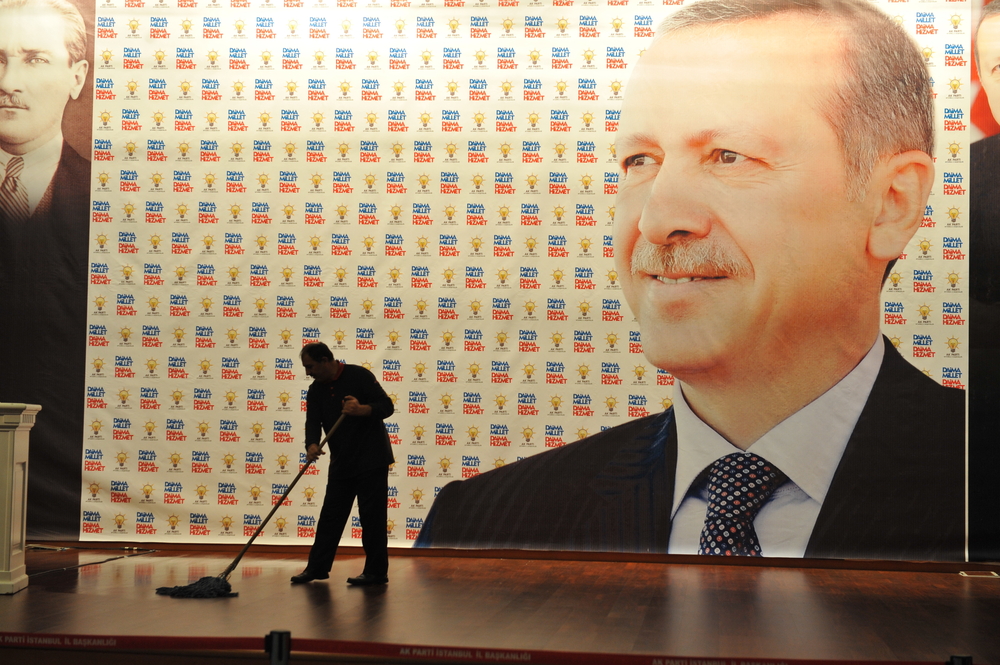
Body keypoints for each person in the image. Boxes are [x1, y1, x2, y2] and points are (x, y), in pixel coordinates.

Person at [416, 0, 965, 561]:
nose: (655, 220)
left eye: (728, 156)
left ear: (890, 204)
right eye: (639, 161)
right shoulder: (486, 528)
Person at [0, 0, 92, 539]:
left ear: (75, 76)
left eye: (34, 60)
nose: (9, 82)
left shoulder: (111, 201)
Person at [291, 342, 395, 585]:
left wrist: (363, 409)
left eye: (311, 366)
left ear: (326, 360)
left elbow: (386, 406)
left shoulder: (359, 376)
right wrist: (311, 445)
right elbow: (312, 422)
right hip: (342, 460)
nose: (308, 372)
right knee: (330, 516)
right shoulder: (316, 390)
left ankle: (376, 572)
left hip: (372, 459)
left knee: (372, 518)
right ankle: (316, 568)